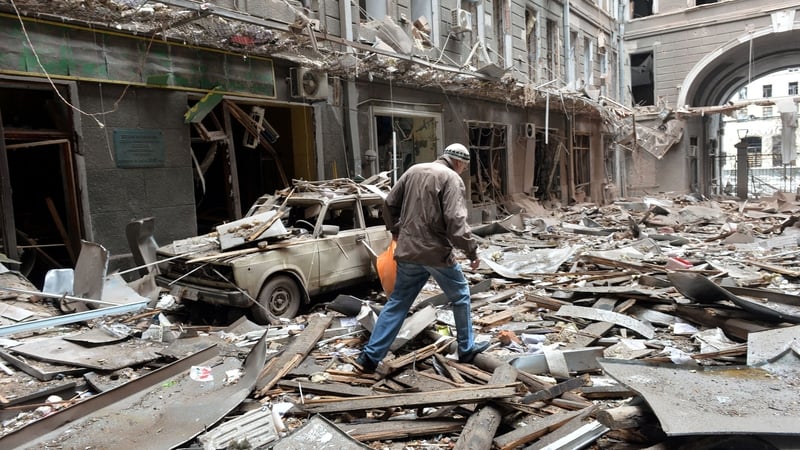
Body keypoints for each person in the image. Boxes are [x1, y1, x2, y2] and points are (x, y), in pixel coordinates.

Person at [355, 143, 489, 374]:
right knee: (461, 296)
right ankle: (466, 348)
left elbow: (388, 203)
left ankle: (369, 357)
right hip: (435, 252)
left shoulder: (413, 170)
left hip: (408, 250)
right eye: (464, 167)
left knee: (397, 303)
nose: (462, 171)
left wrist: (396, 229)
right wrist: (472, 251)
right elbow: (455, 219)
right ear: (459, 162)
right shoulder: (451, 178)